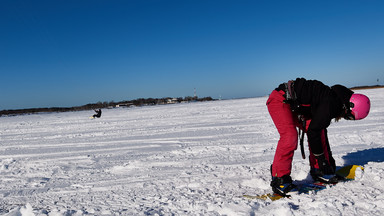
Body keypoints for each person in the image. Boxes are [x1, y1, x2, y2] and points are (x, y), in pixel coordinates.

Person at [266, 78, 370, 196]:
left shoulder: (336, 99)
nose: (346, 117)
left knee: (318, 130)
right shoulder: (331, 103)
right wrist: (322, 159)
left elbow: (318, 129)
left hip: (296, 106)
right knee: (290, 137)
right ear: (350, 106)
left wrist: (327, 163)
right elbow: (313, 132)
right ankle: (279, 179)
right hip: (280, 100)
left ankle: (319, 170)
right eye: (350, 117)